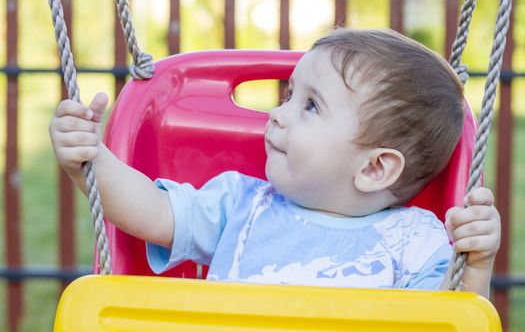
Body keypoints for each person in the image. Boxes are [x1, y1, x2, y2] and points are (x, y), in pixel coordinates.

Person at [49, 29, 500, 298]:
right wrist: (90, 161)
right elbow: (151, 210)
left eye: (310, 106)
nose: (277, 114)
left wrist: (475, 267)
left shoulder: (415, 242)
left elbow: (447, 317)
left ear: (374, 169)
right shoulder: (241, 206)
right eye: (289, 96)